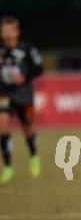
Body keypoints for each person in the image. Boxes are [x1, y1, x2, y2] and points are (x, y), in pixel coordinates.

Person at [0, 17, 43, 184]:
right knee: (2, 125)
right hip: (4, 94)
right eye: (4, 31)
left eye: (10, 30)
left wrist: (24, 77)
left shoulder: (27, 50)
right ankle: (8, 166)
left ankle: (33, 155)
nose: (7, 34)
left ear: (17, 32)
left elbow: (39, 69)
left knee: (28, 126)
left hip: (24, 95)